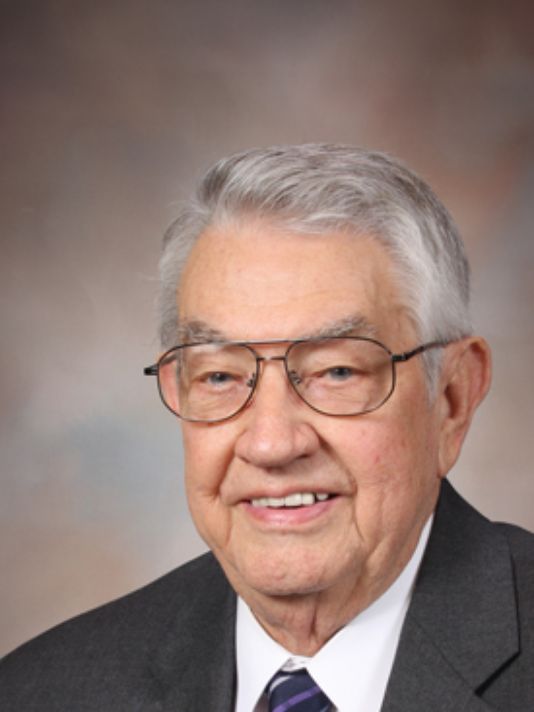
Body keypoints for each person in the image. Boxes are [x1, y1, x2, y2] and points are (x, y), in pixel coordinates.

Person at [1, 144, 533, 711]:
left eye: (336, 371)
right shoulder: (42, 692)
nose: (271, 443)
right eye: (220, 376)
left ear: (452, 398)